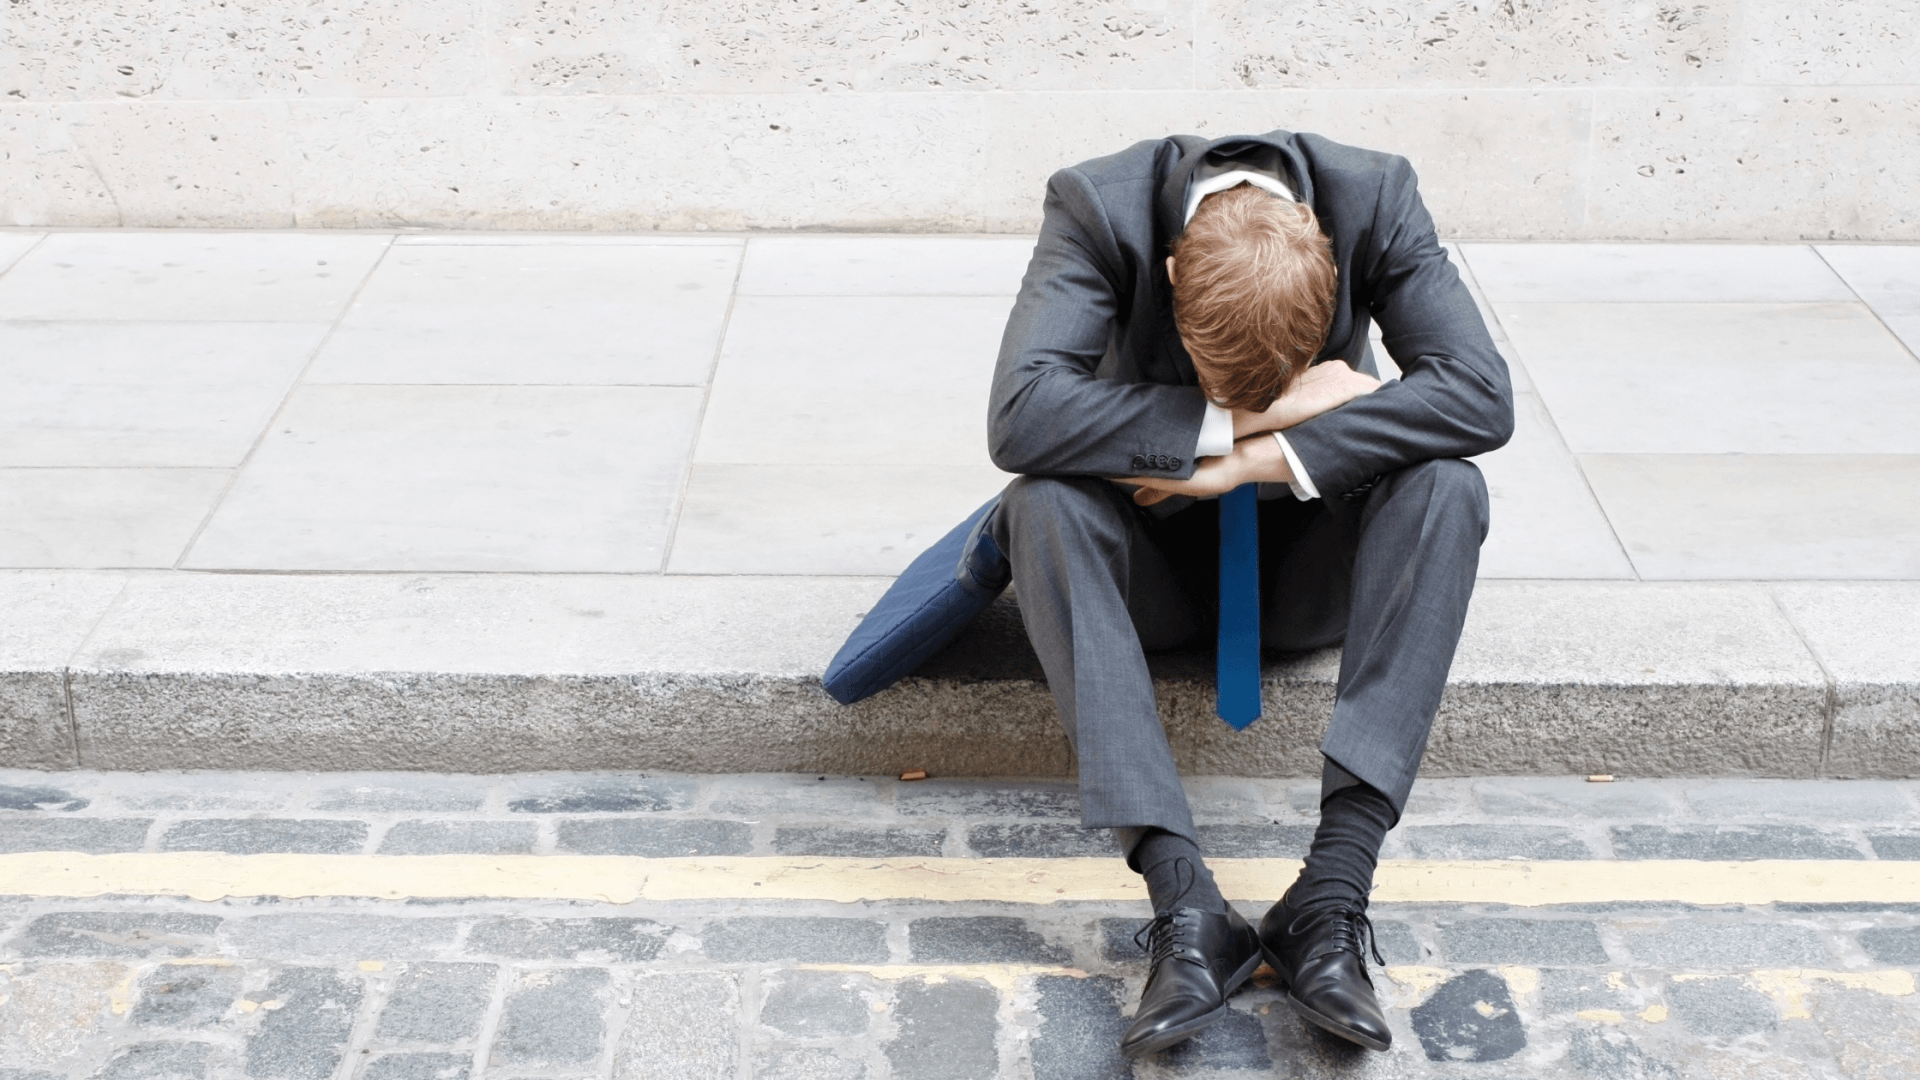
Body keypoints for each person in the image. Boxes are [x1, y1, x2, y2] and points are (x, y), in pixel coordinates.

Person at [985, 131, 1513, 1057]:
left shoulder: (1377, 198)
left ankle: (1332, 895)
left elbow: (1480, 396)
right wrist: (1260, 411)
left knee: (1449, 485)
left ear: (1321, 238)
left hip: (1314, 569)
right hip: (1146, 572)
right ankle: (1185, 905)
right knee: (1042, 501)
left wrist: (1248, 466)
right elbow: (1021, 415)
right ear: (1175, 269)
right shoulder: (1096, 206)